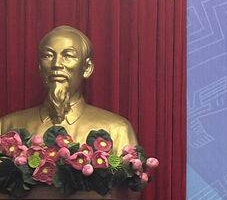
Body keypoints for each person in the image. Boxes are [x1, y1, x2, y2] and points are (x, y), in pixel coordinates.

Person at [0, 25, 138, 151]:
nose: (56, 64)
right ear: (40, 67)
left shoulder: (117, 130)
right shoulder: (7, 127)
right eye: (48, 55)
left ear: (87, 68)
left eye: (68, 56)